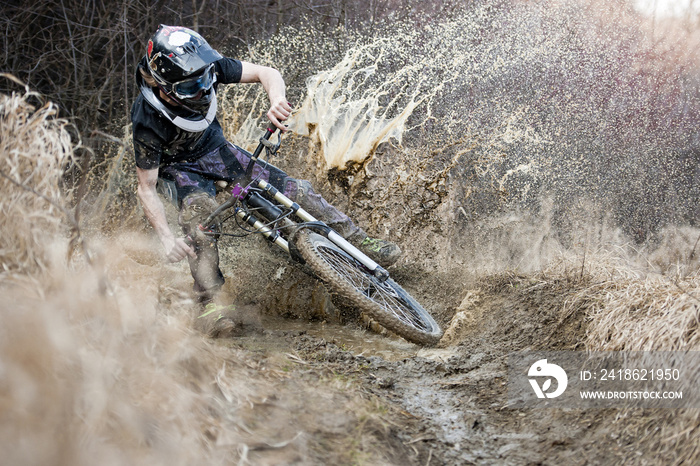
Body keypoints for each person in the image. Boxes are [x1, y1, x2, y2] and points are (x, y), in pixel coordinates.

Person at [131, 25, 401, 334]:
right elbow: (146, 188)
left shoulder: (207, 65)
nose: (203, 90)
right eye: (191, 88)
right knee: (201, 221)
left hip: (217, 150)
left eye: (206, 81)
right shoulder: (146, 120)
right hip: (180, 170)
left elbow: (266, 73)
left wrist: (277, 100)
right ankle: (211, 303)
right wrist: (167, 239)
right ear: (166, 86)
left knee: (296, 190)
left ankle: (357, 240)